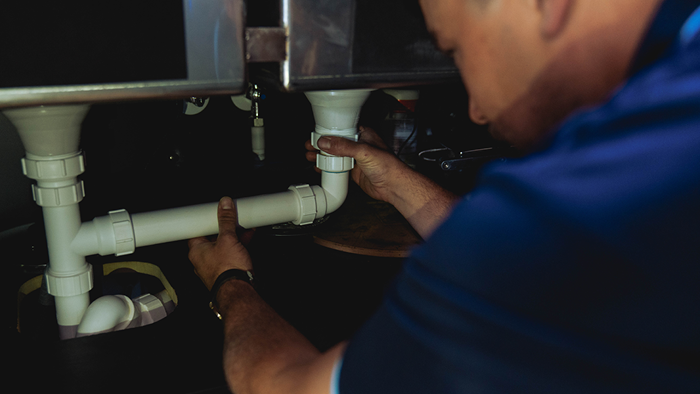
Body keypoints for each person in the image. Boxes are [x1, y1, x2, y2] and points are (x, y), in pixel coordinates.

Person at [188, 0, 700, 392]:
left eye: (453, 47)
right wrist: (396, 185)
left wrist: (229, 281)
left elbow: (288, 386)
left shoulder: (596, 193)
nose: (475, 110)